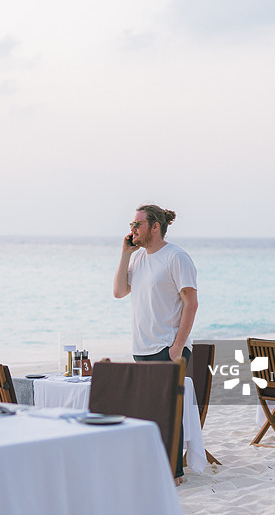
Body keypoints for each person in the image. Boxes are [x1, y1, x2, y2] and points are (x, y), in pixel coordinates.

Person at [113, 203, 198, 484]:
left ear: (155, 227)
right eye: (131, 225)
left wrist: (177, 347)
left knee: (168, 412)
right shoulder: (137, 258)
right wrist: (125, 254)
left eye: (137, 224)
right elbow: (119, 292)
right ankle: (156, 468)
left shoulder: (176, 257)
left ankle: (174, 474)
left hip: (167, 346)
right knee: (148, 412)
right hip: (142, 347)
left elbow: (191, 303)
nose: (132, 229)